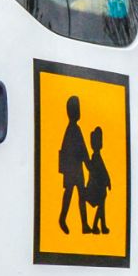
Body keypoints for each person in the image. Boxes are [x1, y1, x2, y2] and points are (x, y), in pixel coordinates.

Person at [57, 95, 90, 234]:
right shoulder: (72, 129)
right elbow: (81, 149)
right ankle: (63, 218)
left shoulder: (74, 128)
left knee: (80, 195)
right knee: (70, 194)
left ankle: (84, 224)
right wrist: (88, 163)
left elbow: (82, 149)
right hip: (73, 169)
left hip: (77, 169)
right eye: (77, 109)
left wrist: (87, 163)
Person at [83, 125, 111, 235]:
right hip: (95, 189)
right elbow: (95, 170)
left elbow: (104, 171)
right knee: (101, 206)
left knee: (101, 206)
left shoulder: (97, 156)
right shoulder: (95, 157)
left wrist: (108, 181)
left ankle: (101, 226)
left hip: (100, 188)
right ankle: (96, 226)